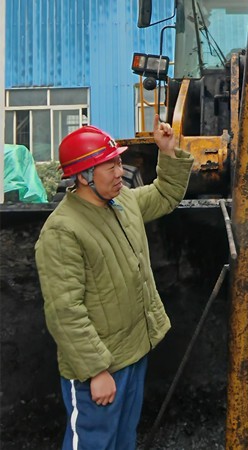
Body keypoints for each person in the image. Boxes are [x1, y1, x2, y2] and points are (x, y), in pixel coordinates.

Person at [35, 115, 193, 450]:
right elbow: (65, 311)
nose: (120, 172)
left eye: (118, 162)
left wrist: (167, 152)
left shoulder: (124, 204)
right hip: (99, 365)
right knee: (93, 442)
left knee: (123, 440)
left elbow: (166, 195)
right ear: (83, 176)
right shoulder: (63, 230)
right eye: (109, 166)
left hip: (133, 352)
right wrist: (95, 371)